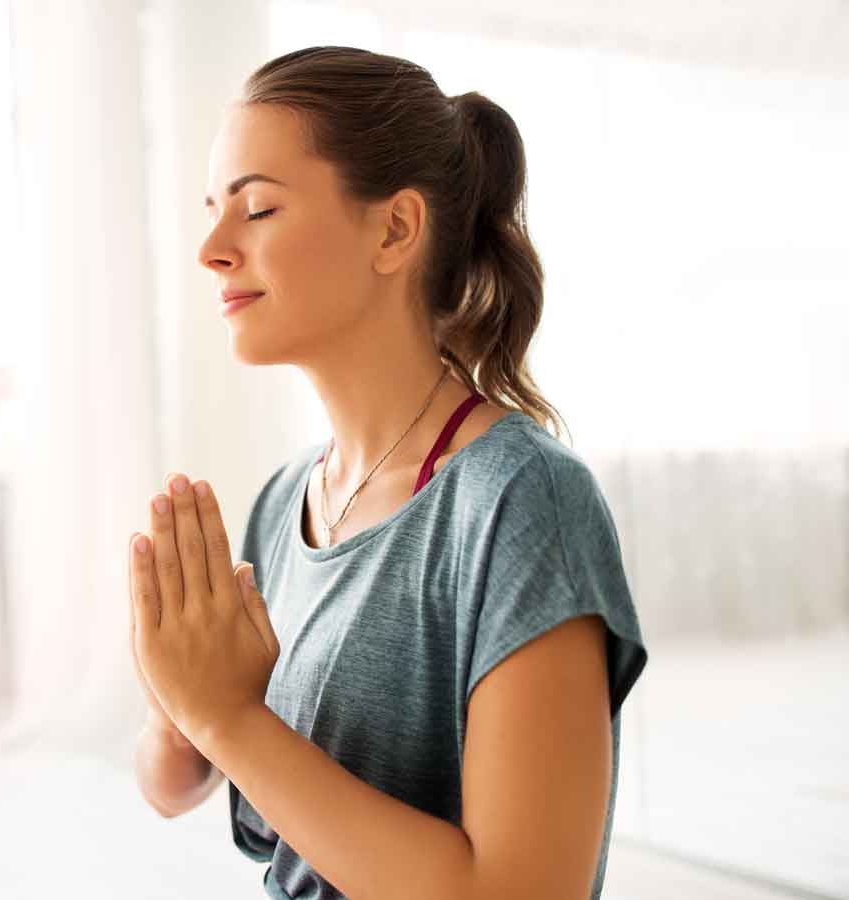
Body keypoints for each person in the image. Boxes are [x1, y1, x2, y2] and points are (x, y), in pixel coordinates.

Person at [131, 45, 648, 900]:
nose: (212, 249)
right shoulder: (284, 502)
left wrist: (229, 715)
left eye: (257, 209)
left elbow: (521, 892)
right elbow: (172, 786)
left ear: (395, 229)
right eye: (213, 210)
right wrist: (174, 690)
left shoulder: (522, 502)